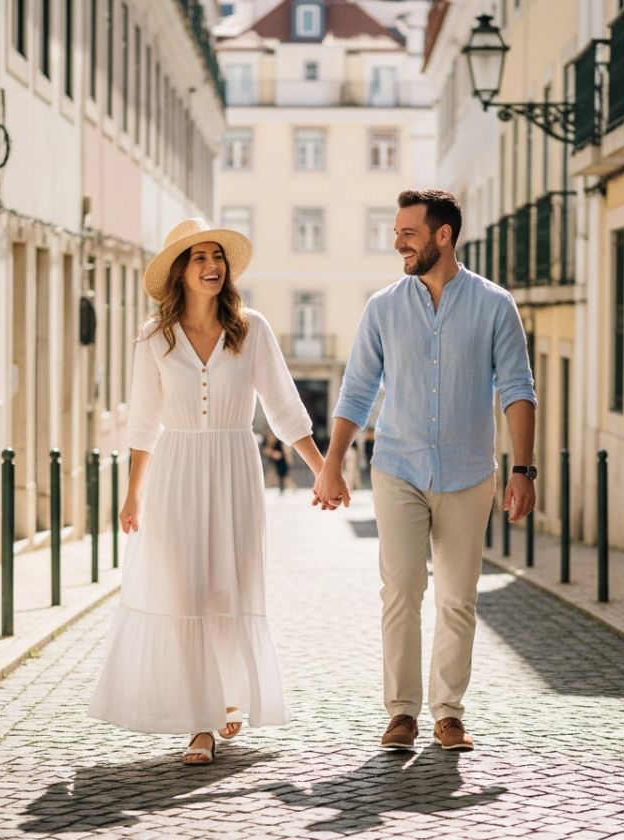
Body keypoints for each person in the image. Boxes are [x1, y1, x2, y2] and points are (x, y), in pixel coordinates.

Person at [88, 218, 325, 766]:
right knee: (185, 594)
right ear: (180, 270)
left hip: (235, 469)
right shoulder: (154, 337)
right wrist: (133, 495)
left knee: (228, 592)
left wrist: (320, 468)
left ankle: (229, 699)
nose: (211, 265)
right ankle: (201, 721)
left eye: (217, 256)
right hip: (176, 470)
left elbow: (284, 407)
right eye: (199, 257)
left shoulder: (252, 329)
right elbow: (144, 421)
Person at [313, 189, 537, 753]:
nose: (398, 244)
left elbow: (517, 389)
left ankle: (448, 712)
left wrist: (523, 470)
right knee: (402, 589)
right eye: (396, 233)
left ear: (443, 235)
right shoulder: (383, 307)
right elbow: (358, 389)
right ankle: (403, 713)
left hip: (467, 473)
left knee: (458, 597)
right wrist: (332, 465)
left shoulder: (494, 305)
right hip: (397, 468)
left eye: (408, 233)